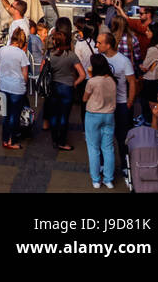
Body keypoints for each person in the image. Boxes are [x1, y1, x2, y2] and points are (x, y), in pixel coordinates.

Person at [96, 29, 137, 176]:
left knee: (121, 137)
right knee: (103, 136)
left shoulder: (123, 61)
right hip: (103, 105)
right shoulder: (99, 59)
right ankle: (102, 165)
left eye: (100, 43)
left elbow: (132, 82)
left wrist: (129, 102)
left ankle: (126, 166)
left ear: (108, 45)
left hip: (120, 104)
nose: (96, 45)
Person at [46, 29, 85, 152]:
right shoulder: (71, 55)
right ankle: (62, 141)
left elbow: (43, 70)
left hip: (53, 86)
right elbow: (82, 74)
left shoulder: (49, 54)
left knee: (53, 114)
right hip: (67, 88)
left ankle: (54, 139)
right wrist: (74, 83)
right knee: (64, 116)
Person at [84, 54, 117, 189]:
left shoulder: (92, 81)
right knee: (108, 148)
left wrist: (90, 74)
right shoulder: (112, 80)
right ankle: (108, 179)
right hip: (109, 115)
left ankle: (96, 179)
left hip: (93, 115)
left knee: (93, 148)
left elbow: (85, 98)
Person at [0, 28, 30, 150]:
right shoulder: (21, 54)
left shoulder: (2, 50)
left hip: (3, 86)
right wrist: (24, 85)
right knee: (14, 116)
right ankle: (13, 140)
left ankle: (5, 139)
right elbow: (25, 74)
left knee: (5, 115)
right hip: (17, 88)